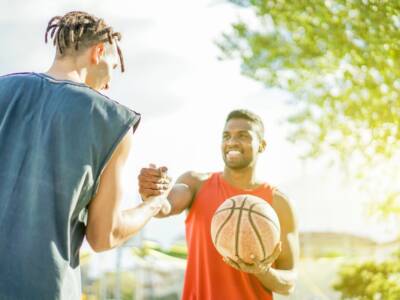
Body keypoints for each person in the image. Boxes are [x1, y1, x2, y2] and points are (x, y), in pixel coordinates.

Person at [0, 11, 169, 300]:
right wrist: (154, 204)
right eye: (113, 67)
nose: (110, 82)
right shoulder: (111, 120)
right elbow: (105, 235)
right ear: (99, 52)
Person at [139, 109, 299, 299]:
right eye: (226, 136)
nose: (232, 142)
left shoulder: (278, 202)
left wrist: (263, 271)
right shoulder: (196, 183)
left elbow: (289, 283)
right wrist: (154, 193)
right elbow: (165, 207)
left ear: (262, 145)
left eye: (243, 136)